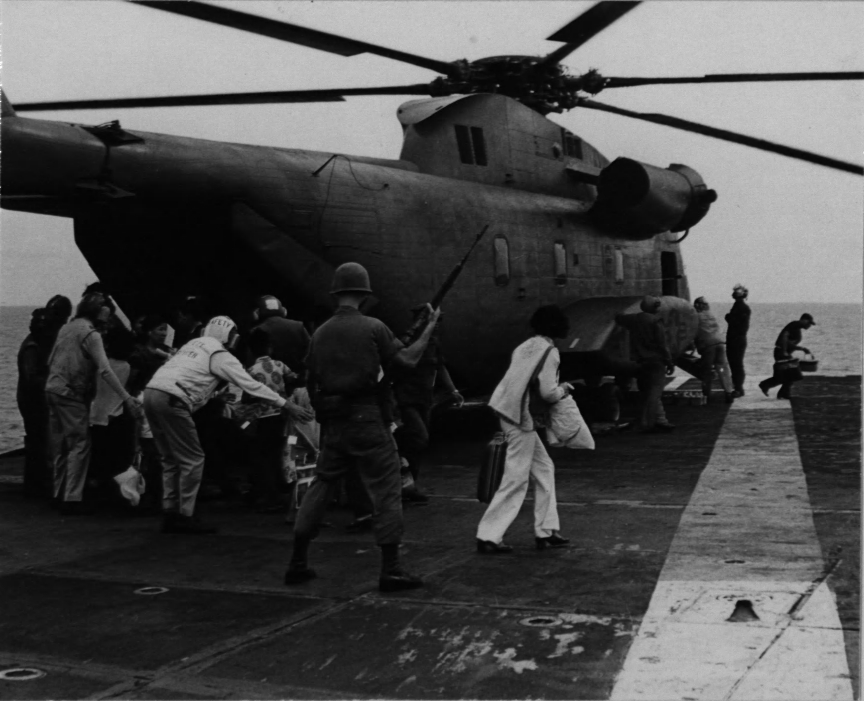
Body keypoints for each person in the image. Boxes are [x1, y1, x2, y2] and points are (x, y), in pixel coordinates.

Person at [283, 262, 441, 592]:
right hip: (368, 418)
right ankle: (391, 568)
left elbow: (311, 383)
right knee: (387, 488)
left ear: (337, 293)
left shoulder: (321, 332)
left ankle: (297, 561)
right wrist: (430, 325)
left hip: (334, 423)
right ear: (365, 294)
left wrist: (327, 417)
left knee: (322, 484)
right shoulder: (374, 327)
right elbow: (408, 361)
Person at [144, 316, 313, 534]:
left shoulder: (192, 345)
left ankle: (169, 511)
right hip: (174, 399)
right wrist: (287, 405)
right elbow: (250, 385)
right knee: (193, 459)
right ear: (228, 335)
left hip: (152, 393)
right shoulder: (219, 354)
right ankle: (185, 515)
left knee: (169, 458)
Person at [476, 305, 572, 554]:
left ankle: (546, 530)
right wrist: (566, 389)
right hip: (522, 418)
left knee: (544, 468)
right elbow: (548, 393)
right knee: (515, 477)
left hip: (507, 411)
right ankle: (489, 536)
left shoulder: (526, 346)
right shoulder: (550, 351)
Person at [45, 293, 145, 514]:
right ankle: (72, 498)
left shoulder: (68, 328)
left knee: (60, 446)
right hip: (71, 393)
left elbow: (51, 358)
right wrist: (127, 397)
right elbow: (105, 369)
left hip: (52, 389)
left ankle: (56, 493)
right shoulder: (91, 334)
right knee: (79, 445)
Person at [392, 306, 464, 504]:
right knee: (418, 438)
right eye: (435, 322)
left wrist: (453, 391)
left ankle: (409, 486)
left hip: (425, 400)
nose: (437, 326)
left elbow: (439, 367)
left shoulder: (433, 343)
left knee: (418, 445)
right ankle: (398, 478)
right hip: (406, 400)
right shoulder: (407, 342)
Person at [235, 327, 304, 512]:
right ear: (270, 348)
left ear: (251, 350)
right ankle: (285, 489)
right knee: (281, 453)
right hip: (282, 416)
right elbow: (295, 379)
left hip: (263, 419)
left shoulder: (250, 370)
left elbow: (246, 398)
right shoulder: (280, 365)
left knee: (262, 456)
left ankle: (269, 494)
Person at [615, 296, 676, 433]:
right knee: (654, 394)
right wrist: (669, 362)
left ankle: (660, 420)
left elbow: (618, 318)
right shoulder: (656, 321)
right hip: (656, 362)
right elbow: (662, 345)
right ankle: (648, 423)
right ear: (654, 307)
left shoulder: (633, 319)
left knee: (647, 393)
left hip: (640, 362)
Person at [17, 308, 54, 498]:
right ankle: (34, 485)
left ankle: (35, 483)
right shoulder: (32, 347)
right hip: (32, 400)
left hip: (31, 398)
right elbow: (30, 377)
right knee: (37, 440)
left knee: (36, 440)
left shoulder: (34, 344)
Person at [252, 295, 311, 383]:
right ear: (283, 311)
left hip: (273, 385)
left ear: (257, 313)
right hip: (299, 382)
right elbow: (311, 352)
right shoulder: (299, 326)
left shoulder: (255, 332)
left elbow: (252, 361)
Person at [759, 313, 816, 400]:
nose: (809, 326)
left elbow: (789, 342)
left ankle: (769, 387)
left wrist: (802, 349)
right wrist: (785, 351)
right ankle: (780, 392)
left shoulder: (797, 328)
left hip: (783, 353)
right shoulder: (796, 324)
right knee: (794, 373)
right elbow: (784, 337)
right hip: (781, 353)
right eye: (809, 323)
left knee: (786, 375)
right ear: (804, 320)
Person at [693, 297, 735, 404]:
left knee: (706, 371)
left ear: (698, 305)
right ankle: (728, 393)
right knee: (722, 368)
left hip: (708, 346)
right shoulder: (711, 315)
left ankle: (707, 395)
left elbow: (692, 332)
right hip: (720, 343)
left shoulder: (695, 316)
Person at [725, 284, 751, 397]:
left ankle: (739, 388)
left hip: (736, 339)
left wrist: (728, 317)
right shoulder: (740, 306)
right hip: (737, 339)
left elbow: (735, 322)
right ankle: (737, 387)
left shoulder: (741, 307)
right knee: (736, 364)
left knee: (736, 364)